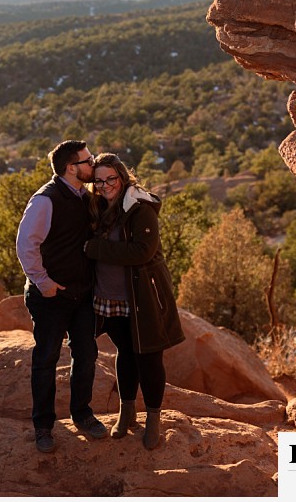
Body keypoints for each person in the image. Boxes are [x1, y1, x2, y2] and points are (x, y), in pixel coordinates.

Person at [83, 153, 185, 450]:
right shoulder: (97, 208)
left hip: (141, 298)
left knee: (149, 357)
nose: (104, 185)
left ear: (122, 177)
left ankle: (153, 419)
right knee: (125, 352)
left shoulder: (140, 209)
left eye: (110, 179)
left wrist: (95, 248)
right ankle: (126, 412)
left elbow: (142, 252)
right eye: (98, 181)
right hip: (107, 298)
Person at [16, 140, 109, 453]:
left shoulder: (84, 196)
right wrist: (44, 283)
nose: (93, 164)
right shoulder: (45, 200)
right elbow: (25, 245)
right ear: (72, 168)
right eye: (88, 160)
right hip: (50, 297)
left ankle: (82, 414)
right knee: (46, 359)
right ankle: (43, 426)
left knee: (87, 354)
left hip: (81, 295)